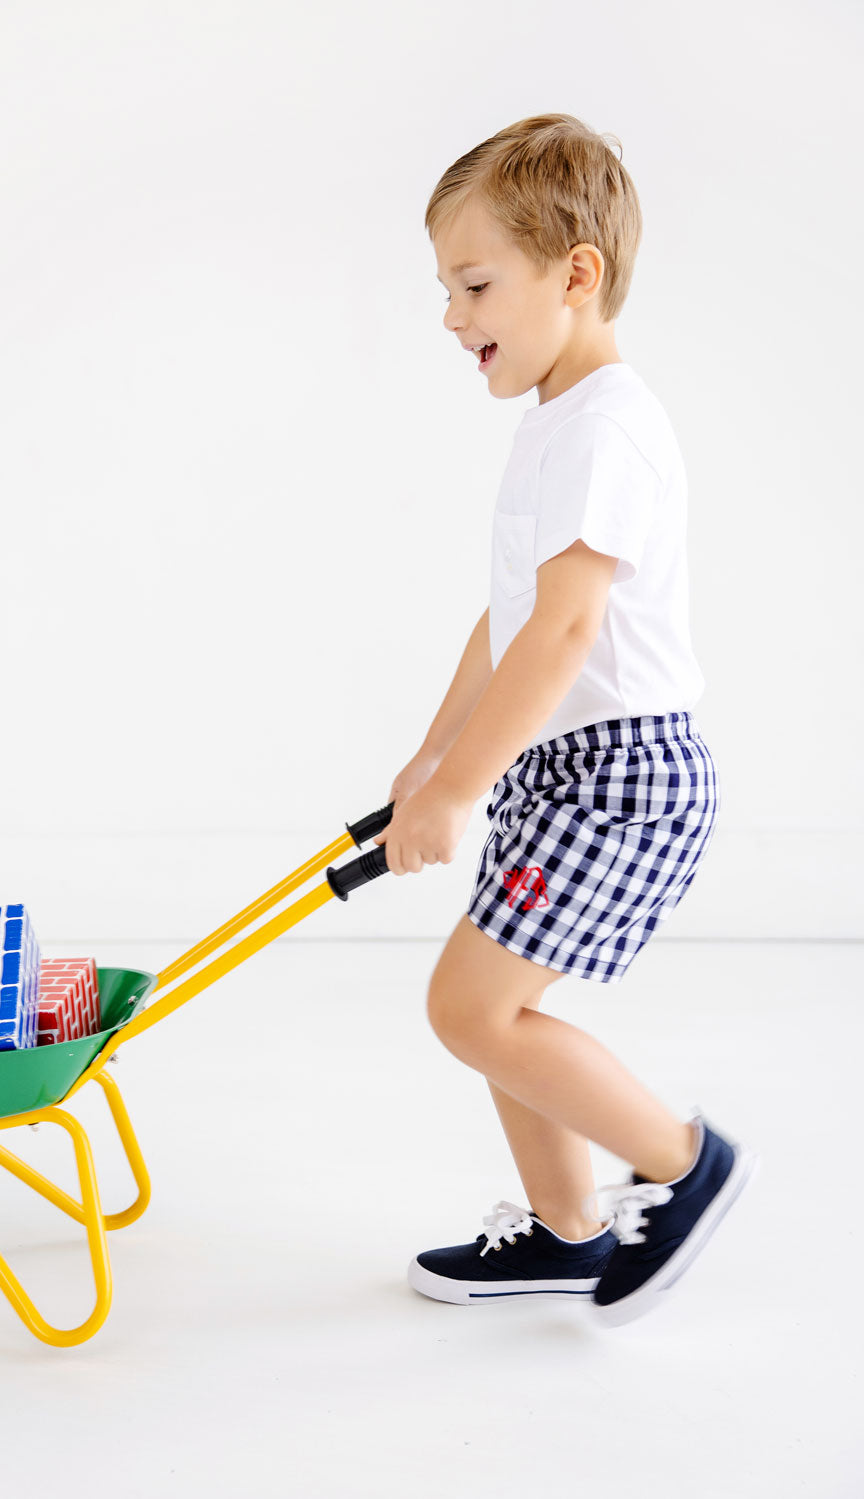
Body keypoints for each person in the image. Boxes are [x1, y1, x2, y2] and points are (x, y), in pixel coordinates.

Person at [372, 113, 758, 1327]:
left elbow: (563, 636)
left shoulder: (601, 427)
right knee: (495, 1010)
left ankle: (683, 1159)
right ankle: (565, 1229)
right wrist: (434, 757)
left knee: (470, 1006)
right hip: (563, 766)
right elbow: (502, 626)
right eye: (445, 287)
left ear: (575, 273)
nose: (451, 314)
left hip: (618, 776)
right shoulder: (559, 424)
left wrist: (454, 791)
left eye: (474, 282)